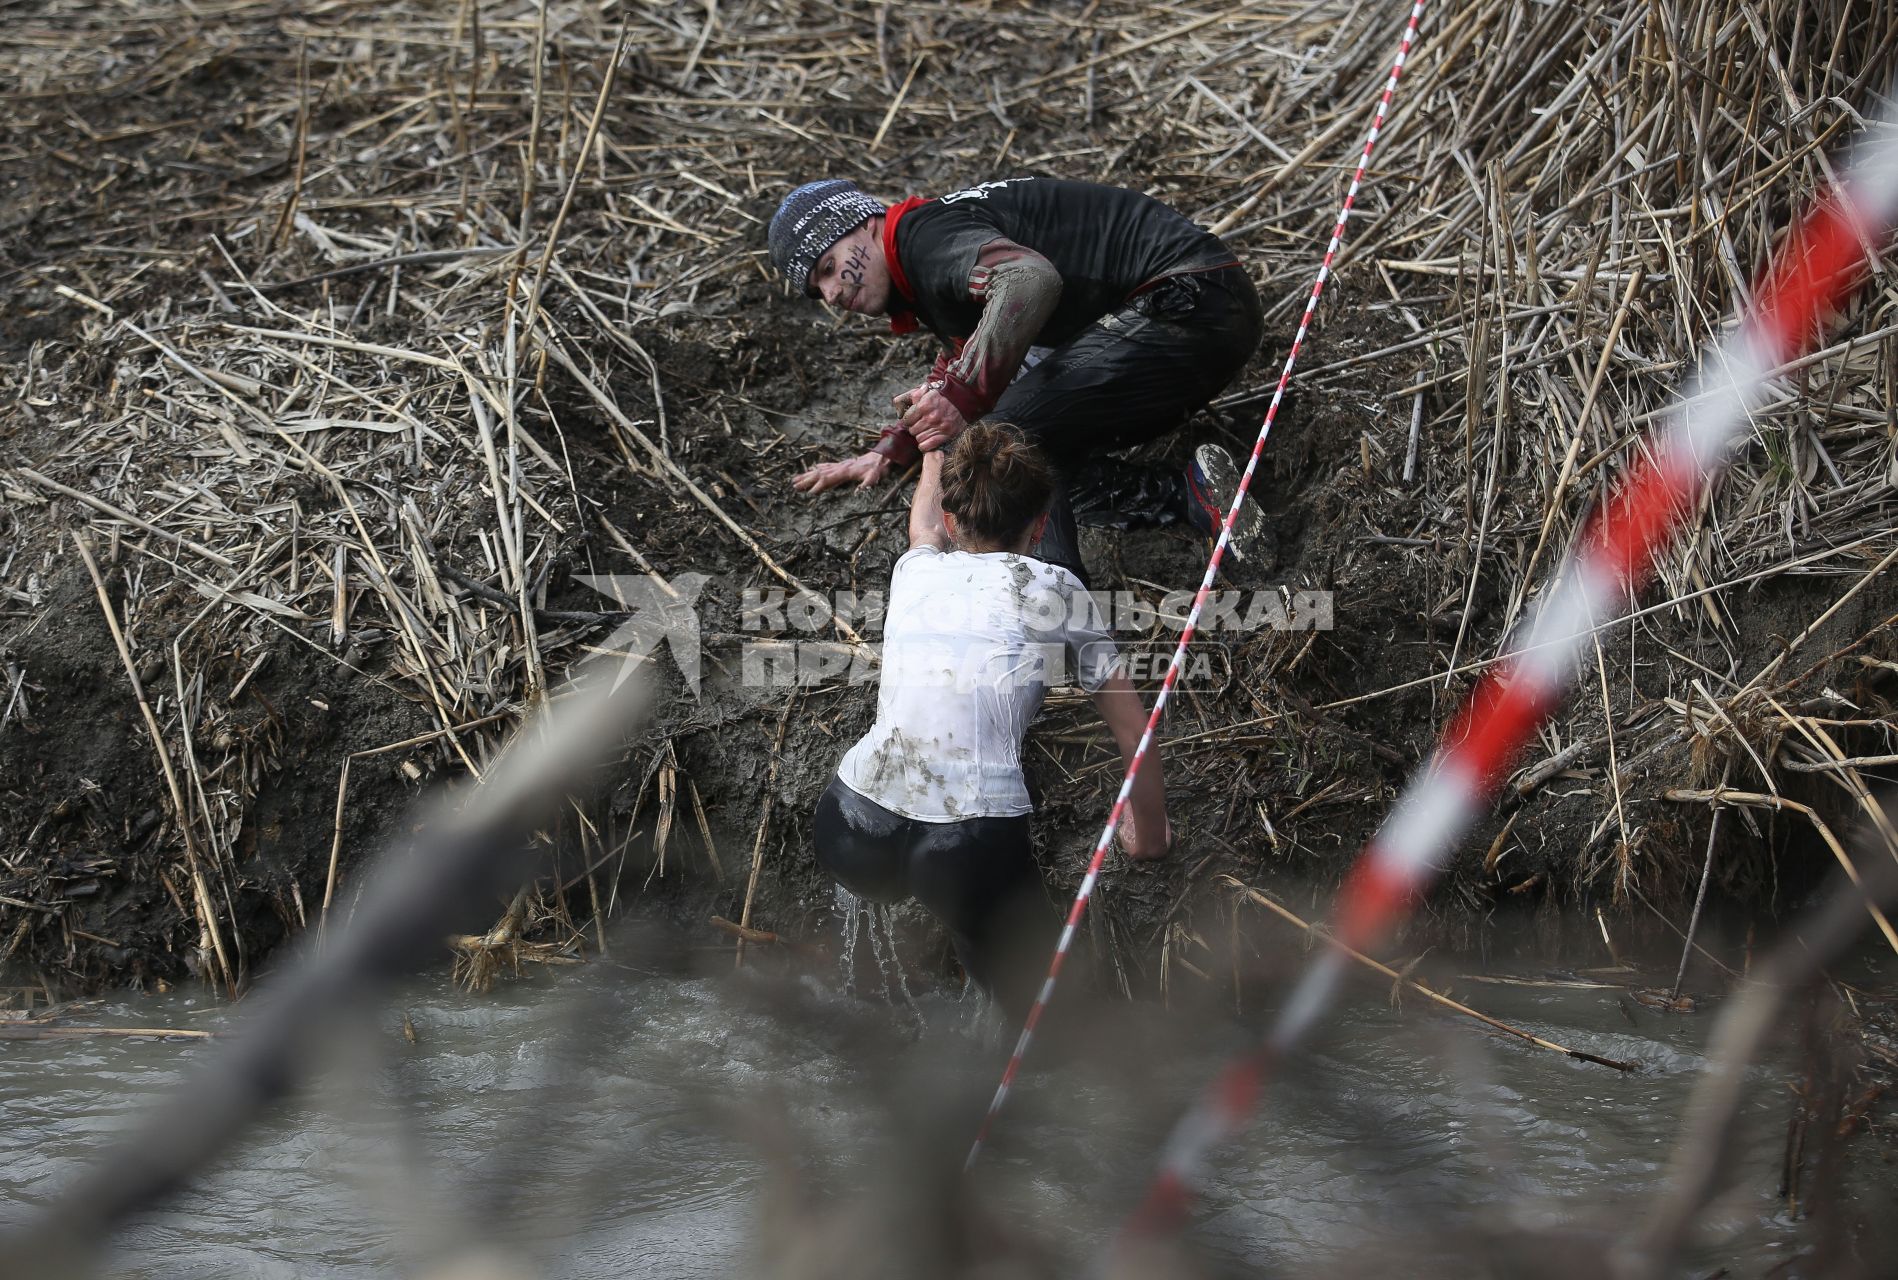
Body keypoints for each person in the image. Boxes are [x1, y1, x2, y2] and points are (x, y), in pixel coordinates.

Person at [812, 421, 1170, 1017]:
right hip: (965, 845)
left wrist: (931, 451)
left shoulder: (914, 570)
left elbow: (922, 525)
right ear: (1039, 524)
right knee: (1035, 1011)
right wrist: (1151, 836)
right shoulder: (1055, 585)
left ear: (954, 521)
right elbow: (1135, 731)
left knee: (870, 1009)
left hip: (851, 825)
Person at [767, 175, 1267, 580]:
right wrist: (893, 446)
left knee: (1009, 445)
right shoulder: (926, 260)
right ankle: (1192, 494)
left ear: (868, 223)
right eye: (819, 288)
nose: (832, 294)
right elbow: (971, 350)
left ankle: (1054, 616)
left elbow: (1029, 279)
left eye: (831, 267)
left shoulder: (924, 240)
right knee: (1008, 448)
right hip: (1194, 308)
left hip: (1187, 300)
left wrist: (963, 398)